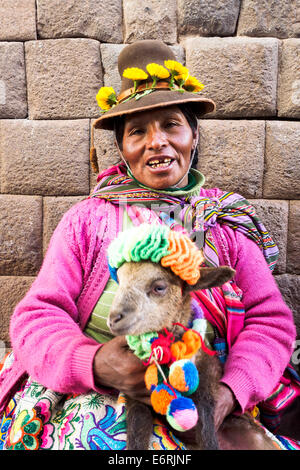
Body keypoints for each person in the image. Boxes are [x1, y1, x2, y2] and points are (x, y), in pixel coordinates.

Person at [0, 40, 298, 451]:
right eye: (138, 131)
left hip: (203, 399)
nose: (157, 141)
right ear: (123, 148)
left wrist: (226, 395)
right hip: (97, 398)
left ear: (193, 134)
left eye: (171, 124)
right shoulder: (88, 221)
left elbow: (271, 322)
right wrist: (96, 364)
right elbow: (37, 316)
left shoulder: (224, 224)